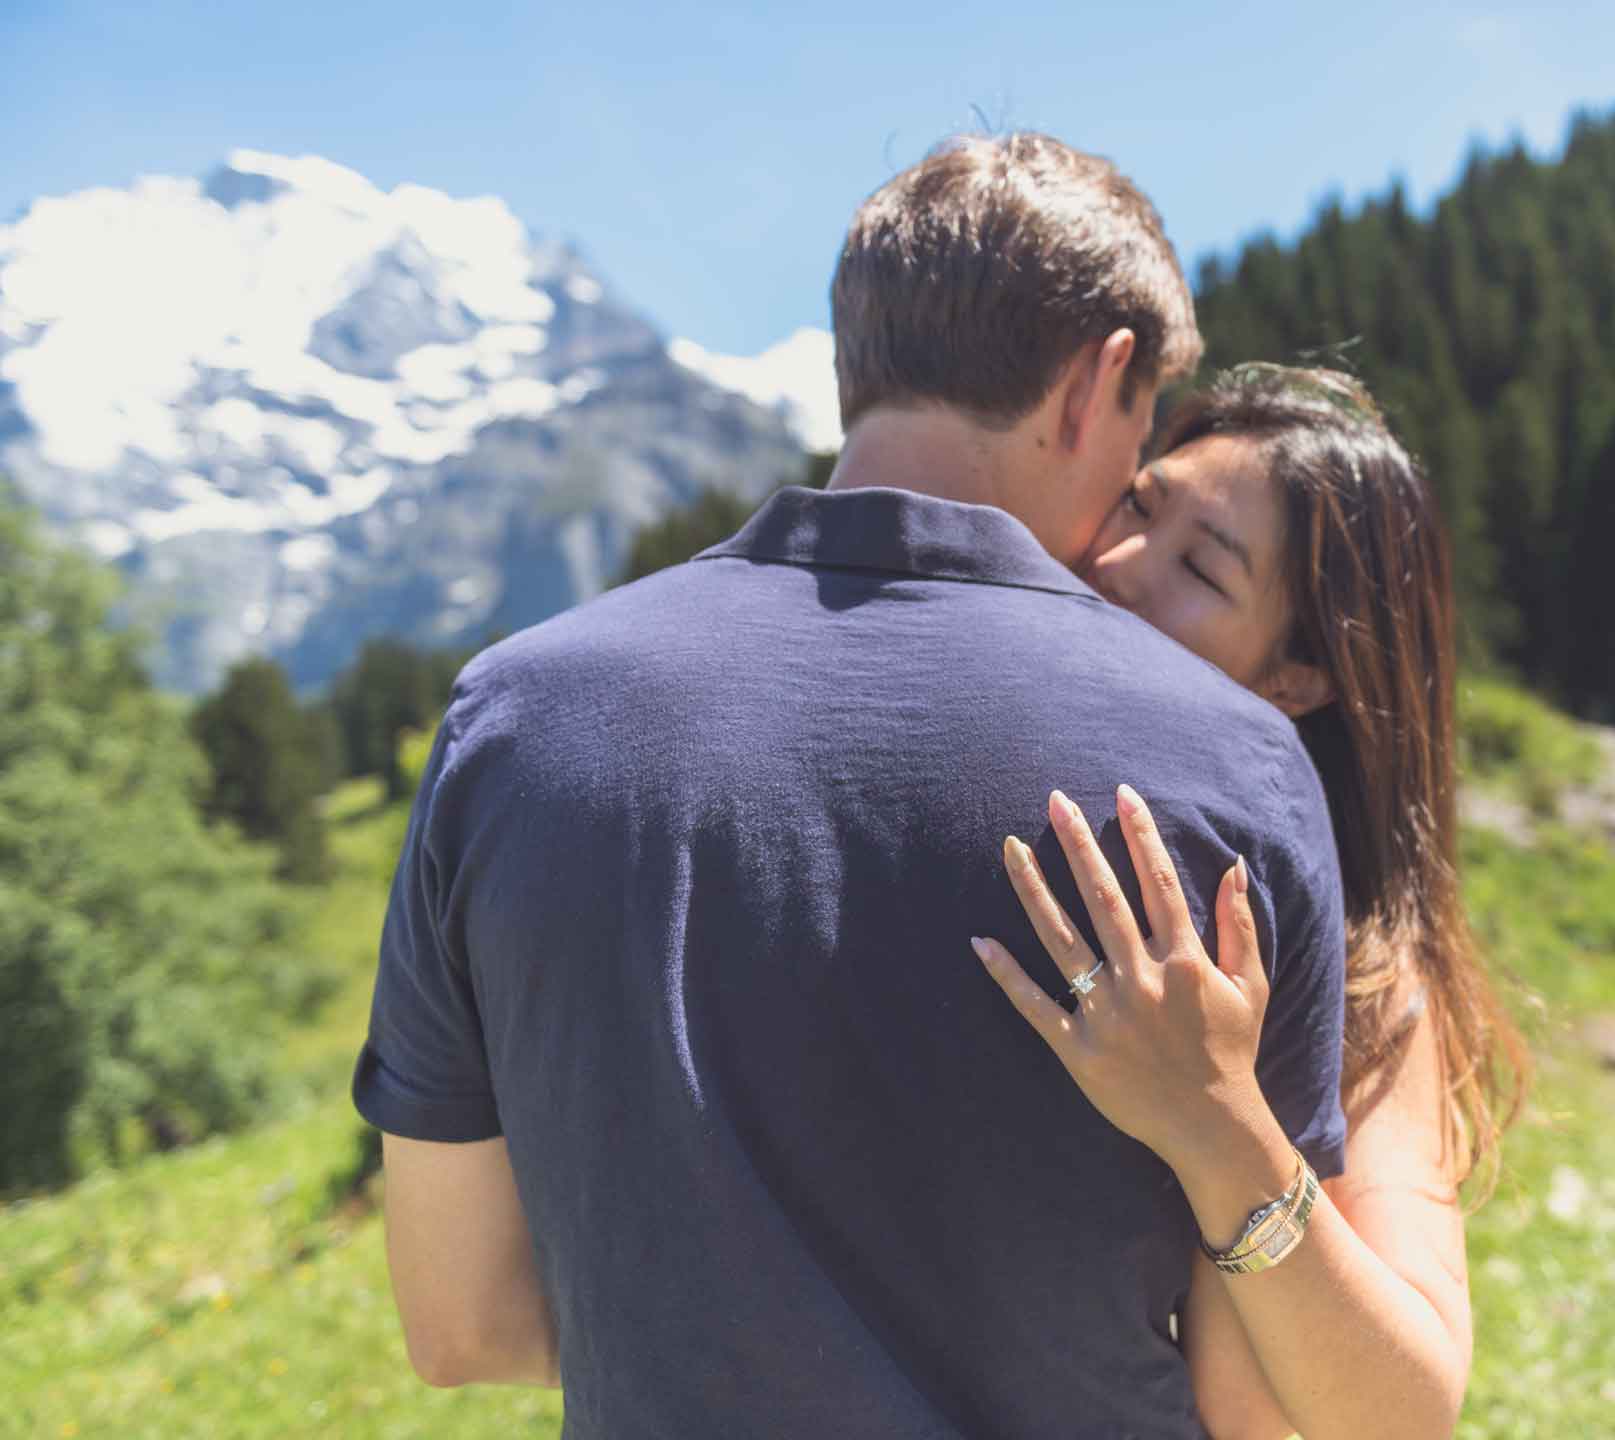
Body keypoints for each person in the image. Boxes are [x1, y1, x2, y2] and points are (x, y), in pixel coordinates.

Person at [352, 132, 1351, 1438]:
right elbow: (1258, 1393)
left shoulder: (515, 718)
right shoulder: (1236, 763)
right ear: (1095, 383)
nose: (1118, 520)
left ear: (856, 357)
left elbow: (459, 1321)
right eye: (1142, 433)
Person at [975, 364, 1532, 1438]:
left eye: (1202, 567)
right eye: (1140, 502)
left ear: (1296, 681)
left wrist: (1217, 1120)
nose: (1115, 564)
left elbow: (1399, 1413)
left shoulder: (1367, 979)